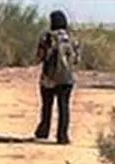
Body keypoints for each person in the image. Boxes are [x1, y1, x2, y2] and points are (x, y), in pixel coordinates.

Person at [34, 10, 80, 145]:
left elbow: (39, 57)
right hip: (67, 78)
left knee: (47, 105)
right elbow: (76, 60)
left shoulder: (47, 37)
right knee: (64, 106)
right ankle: (62, 136)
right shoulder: (72, 38)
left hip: (49, 77)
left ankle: (44, 131)